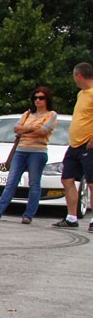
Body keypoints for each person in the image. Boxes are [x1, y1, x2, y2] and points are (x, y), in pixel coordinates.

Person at [0, 87, 58, 224]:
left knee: (34, 184)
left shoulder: (51, 115)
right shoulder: (27, 114)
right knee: (11, 183)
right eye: (35, 98)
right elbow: (16, 128)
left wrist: (25, 129)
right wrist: (32, 128)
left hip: (38, 152)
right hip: (20, 151)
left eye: (41, 98)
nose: (38, 100)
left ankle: (28, 215)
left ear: (47, 99)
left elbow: (43, 131)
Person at [53, 62, 93, 230]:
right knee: (67, 179)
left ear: (78, 75)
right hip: (74, 145)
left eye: (74, 76)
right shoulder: (81, 94)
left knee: (92, 183)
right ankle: (71, 217)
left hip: (88, 145)